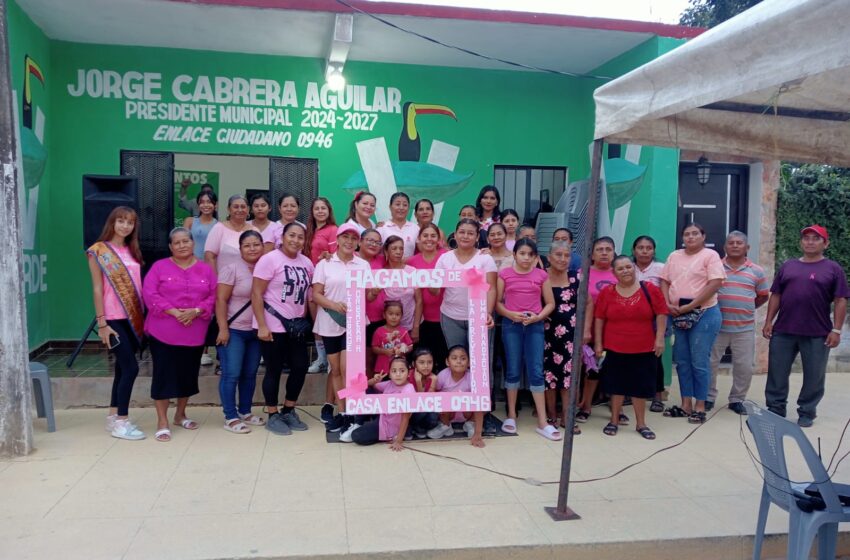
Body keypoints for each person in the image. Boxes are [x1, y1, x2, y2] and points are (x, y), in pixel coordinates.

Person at [763, 225, 849, 427]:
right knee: (777, 371)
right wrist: (768, 322)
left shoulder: (833, 269)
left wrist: (836, 330)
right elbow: (776, 295)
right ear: (801, 242)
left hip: (817, 333)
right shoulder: (788, 266)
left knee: (814, 375)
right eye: (806, 238)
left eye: (815, 238)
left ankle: (807, 411)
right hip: (783, 330)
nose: (810, 242)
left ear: (825, 244)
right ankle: (775, 408)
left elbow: (841, 300)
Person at [143, 228, 216, 442]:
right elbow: (150, 293)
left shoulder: (206, 269)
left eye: (186, 241)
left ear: (193, 243)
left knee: (187, 374)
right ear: (170, 247)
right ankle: (162, 420)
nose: (182, 245)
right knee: (163, 375)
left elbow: (214, 295)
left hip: (194, 332)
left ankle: (180, 414)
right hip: (163, 331)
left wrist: (196, 311)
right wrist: (174, 311)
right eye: (177, 242)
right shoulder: (159, 267)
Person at [86, 206, 146, 441]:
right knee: (131, 368)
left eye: (129, 222)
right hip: (112, 319)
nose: (125, 226)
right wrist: (102, 323)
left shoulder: (133, 251)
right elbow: (97, 288)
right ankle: (122, 421)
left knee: (122, 369)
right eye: (120, 221)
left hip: (132, 317)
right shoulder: (97, 251)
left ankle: (113, 416)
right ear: (112, 222)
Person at [594, 255, 668, 439]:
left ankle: (641, 424)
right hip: (615, 346)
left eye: (628, 267)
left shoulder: (649, 289)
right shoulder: (607, 292)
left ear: (633, 268)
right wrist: (598, 343)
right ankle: (614, 420)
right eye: (620, 268)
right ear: (614, 273)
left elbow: (661, 313)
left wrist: (659, 338)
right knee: (616, 385)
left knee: (639, 387)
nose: (625, 271)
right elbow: (599, 318)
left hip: (643, 347)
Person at [252, 222, 315, 435]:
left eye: (300, 237)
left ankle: (289, 409)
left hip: (296, 326)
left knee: (300, 367)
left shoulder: (307, 263)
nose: (295, 240)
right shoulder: (269, 260)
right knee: (274, 370)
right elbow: (256, 294)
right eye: (292, 235)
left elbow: (310, 296)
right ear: (282, 237)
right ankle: (272, 414)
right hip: (273, 326)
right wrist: (261, 325)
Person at [660, 223, 725, 424]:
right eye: (687, 234)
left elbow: (715, 283)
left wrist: (693, 305)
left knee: (699, 361)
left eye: (695, 233)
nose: (690, 237)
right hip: (678, 314)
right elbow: (664, 280)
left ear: (703, 236)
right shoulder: (674, 256)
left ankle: (700, 406)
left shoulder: (710, 256)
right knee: (682, 361)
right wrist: (667, 303)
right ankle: (685, 404)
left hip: (704, 314)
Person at [496, 239, 559, 440]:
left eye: (530, 254)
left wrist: (538, 317)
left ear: (535, 257)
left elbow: (550, 303)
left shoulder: (542, 275)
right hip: (511, 326)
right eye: (522, 253)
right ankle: (511, 415)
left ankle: (542, 422)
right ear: (514, 254)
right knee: (513, 369)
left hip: (535, 327)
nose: (525, 257)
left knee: (536, 371)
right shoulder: (504, 274)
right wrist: (510, 315)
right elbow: (497, 303)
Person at [312, 223, 371, 432]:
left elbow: (369, 293)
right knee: (335, 370)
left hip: (354, 323)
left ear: (358, 243)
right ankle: (344, 412)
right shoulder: (325, 264)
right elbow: (316, 294)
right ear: (337, 239)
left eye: (354, 238)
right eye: (345, 237)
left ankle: (355, 412)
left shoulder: (363, 265)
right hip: (329, 322)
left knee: (348, 369)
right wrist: (334, 305)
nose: (349, 241)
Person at [706, 232, 770, 415]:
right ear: (725, 247)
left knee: (744, 366)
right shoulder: (715, 267)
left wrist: (746, 308)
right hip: (716, 326)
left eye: (739, 243)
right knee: (710, 364)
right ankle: (708, 397)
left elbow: (763, 296)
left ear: (747, 248)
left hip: (744, 328)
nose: (735, 246)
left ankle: (737, 400)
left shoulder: (756, 270)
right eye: (731, 243)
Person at [215, 230, 265, 434]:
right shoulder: (232, 268)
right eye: (247, 245)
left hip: (256, 331)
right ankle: (230, 416)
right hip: (234, 330)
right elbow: (220, 300)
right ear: (240, 248)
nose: (252, 249)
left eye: (256, 244)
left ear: (263, 246)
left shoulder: (265, 268)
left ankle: (245, 411)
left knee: (250, 374)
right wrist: (223, 329)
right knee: (231, 373)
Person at [433, 219, 497, 350]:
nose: (465, 236)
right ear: (455, 235)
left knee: (480, 363)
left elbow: (491, 289)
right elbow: (435, 290)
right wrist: (428, 282)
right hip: (450, 316)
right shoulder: (445, 258)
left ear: (477, 237)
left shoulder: (485, 259)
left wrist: (488, 313)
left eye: (470, 233)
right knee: (457, 360)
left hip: (480, 317)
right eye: (462, 232)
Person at [576, 237, 617, 423]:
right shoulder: (582, 273)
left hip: (614, 330)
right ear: (592, 254)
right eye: (599, 249)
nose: (604, 252)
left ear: (614, 253)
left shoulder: (620, 273)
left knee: (614, 369)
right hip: (588, 330)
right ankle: (585, 406)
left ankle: (616, 409)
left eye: (608, 249)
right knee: (589, 369)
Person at [543, 240, 580, 433]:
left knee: (568, 376)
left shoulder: (576, 278)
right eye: (558, 255)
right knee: (549, 376)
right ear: (549, 257)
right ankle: (551, 415)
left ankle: (567, 417)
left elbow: (587, 304)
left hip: (570, 336)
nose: (563, 259)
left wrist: (586, 330)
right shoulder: (541, 277)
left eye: (566, 255)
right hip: (545, 334)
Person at [632, 235, 668, 413]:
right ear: (634, 250)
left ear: (654, 251)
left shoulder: (661, 269)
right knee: (629, 358)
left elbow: (664, 297)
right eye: (640, 247)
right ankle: (628, 393)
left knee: (654, 359)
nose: (644, 251)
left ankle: (657, 395)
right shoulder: (628, 267)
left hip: (654, 320)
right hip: (630, 320)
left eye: (648, 248)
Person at [349, 356, 415, 450]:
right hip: (382, 417)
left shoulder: (408, 389)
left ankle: (391, 435)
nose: (398, 374)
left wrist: (398, 441)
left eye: (402, 371)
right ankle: (358, 422)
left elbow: (406, 417)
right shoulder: (390, 383)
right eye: (394, 371)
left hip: (390, 426)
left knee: (356, 435)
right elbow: (371, 387)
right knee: (364, 389)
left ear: (408, 373)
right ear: (389, 374)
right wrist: (375, 380)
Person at [425, 345, 486, 447]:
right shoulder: (443, 375)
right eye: (454, 358)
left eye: (463, 358)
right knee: (442, 397)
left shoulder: (472, 377)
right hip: (448, 413)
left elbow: (480, 402)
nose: (459, 361)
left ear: (469, 362)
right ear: (447, 362)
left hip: (467, 413)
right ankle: (446, 425)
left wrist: (478, 434)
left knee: (484, 401)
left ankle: (470, 424)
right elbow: (434, 396)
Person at [407, 224, 448, 367]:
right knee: (423, 362)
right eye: (425, 236)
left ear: (439, 239)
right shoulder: (411, 261)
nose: (429, 239)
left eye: (433, 236)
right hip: (422, 320)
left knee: (444, 359)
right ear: (419, 239)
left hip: (445, 318)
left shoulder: (447, 257)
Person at [305, 197, 338, 375]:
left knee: (328, 322)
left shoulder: (333, 230)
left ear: (328, 210)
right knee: (317, 323)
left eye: (323, 208)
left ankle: (331, 359)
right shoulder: (307, 230)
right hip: (310, 283)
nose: (320, 211)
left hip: (326, 283)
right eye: (316, 208)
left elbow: (335, 255)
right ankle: (321, 359)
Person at [359, 228, 388, 385]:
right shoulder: (352, 258)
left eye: (377, 242)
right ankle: (360, 394)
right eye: (370, 240)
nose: (373, 244)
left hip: (379, 316)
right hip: (358, 317)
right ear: (360, 241)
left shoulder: (382, 260)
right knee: (360, 360)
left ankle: (372, 395)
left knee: (373, 359)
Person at [204, 194, 258, 273]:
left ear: (248, 209)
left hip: (249, 279)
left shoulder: (254, 230)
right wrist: (215, 281)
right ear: (229, 209)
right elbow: (209, 257)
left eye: (243, 207)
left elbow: (259, 257)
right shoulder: (219, 228)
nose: (240, 210)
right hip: (224, 282)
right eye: (236, 207)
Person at [382, 235, 422, 333]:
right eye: (394, 248)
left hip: (411, 325)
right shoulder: (381, 274)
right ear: (386, 251)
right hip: (389, 328)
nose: (398, 252)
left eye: (401, 248)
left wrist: (416, 327)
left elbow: (419, 300)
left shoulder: (411, 271)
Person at [371, 300, 413, 375]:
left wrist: (403, 349)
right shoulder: (379, 331)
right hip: (382, 369)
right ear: (384, 315)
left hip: (399, 369)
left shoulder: (404, 331)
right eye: (390, 314)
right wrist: (384, 351)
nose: (394, 317)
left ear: (401, 316)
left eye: (397, 314)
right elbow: (374, 348)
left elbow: (410, 346)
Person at [408, 348, 439, 438]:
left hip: (424, 409)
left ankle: (418, 427)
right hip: (410, 411)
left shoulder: (433, 377)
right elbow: (420, 401)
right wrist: (418, 381)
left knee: (434, 417)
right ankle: (408, 426)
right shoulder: (408, 376)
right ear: (414, 364)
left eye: (429, 362)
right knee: (423, 409)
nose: (426, 366)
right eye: (421, 362)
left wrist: (433, 382)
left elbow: (429, 401)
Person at [378, 192, 419, 258]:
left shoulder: (415, 228)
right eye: (397, 204)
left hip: (410, 267)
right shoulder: (382, 228)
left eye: (405, 205)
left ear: (408, 208)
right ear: (390, 207)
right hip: (387, 267)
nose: (401, 208)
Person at [183, 191, 218, 260]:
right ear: (198, 205)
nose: (205, 205)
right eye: (202, 202)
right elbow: (184, 242)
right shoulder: (189, 221)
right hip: (191, 263)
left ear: (216, 205)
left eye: (209, 202)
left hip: (210, 265)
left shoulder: (218, 225)